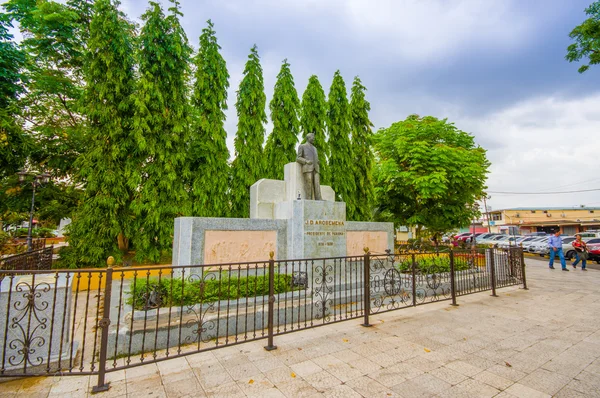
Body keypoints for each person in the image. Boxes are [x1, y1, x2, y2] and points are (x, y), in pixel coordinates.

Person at [296, 132, 322, 200]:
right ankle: (308, 199)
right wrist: (306, 161)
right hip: (307, 168)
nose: (314, 139)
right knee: (309, 184)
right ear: (308, 138)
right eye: (312, 138)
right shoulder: (302, 146)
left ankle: (319, 198)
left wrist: (317, 161)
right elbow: (298, 158)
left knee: (317, 184)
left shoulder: (315, 148)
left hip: (316, 168)